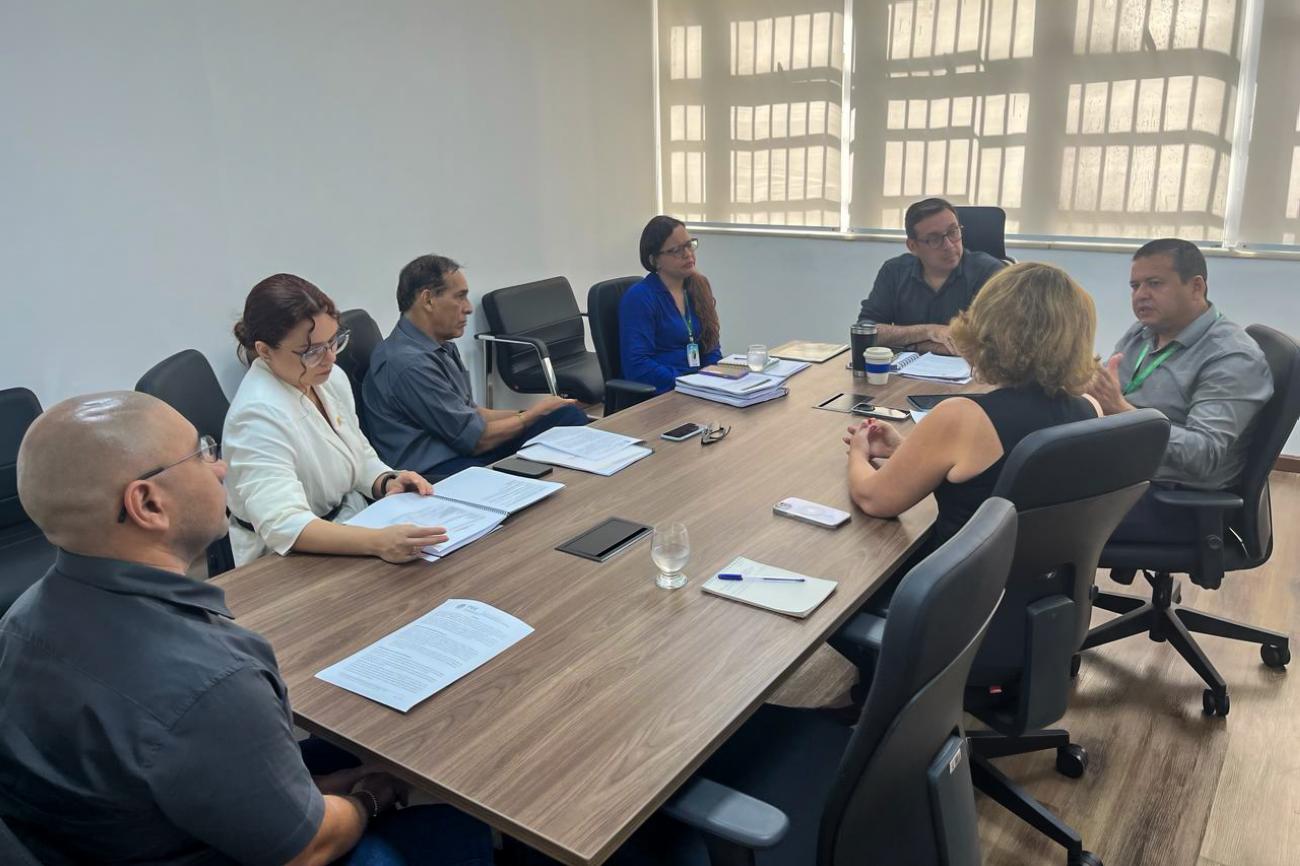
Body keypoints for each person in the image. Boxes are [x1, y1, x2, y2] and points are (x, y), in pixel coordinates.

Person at [0, 391, 494, 865]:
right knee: (459, 825)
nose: (221, 468)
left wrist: (311, 793)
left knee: (347, 750)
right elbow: (305, 850)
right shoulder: (208, 679)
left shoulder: (18, 623)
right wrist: (371, 796)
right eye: (201, 454)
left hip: (115, 837)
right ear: (147, 504)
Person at [845, 262, 1099, 553]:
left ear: (989, 331)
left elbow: (873, 499)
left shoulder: (963, 417)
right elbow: (1016, 478)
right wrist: (906, 451)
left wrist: (858, 453)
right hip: (1045, 576)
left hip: (960, 578)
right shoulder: (1090, 411)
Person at [224, 273, 446, 566]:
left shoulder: (327, 379)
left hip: (350, 521)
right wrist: (377, 542)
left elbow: (357, 454)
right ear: (265, 350)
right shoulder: (255, 416)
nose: (330, 358)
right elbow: (284, 525)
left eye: (333, 342)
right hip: (286, 559)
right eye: (312, 351)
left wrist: (386, 481)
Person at [1086, 238, 1273, 542]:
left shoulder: (1231, 357)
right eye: (1135, 286)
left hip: (1174, 501)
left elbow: (1204, 455)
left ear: (1196, 287)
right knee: (1021, 483)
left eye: (1154, 283)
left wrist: (1122, 411)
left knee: (1031, 518)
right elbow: (1113, 387)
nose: (1141, 295)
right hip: (1127, 472)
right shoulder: (1144, 331)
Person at [363, 254, 590, 478]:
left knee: (564, 416)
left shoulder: (440, 345)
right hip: (437, 471)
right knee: (545, 441)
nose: (469, 308)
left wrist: (536, 412)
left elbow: (472, 413)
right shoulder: (408, 363)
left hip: (462, 450)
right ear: (428, 300)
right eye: (460, 297)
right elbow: (475, 439)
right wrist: (533, 415)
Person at [857, 197, 1005, 355]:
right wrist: (928, 331)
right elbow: (864, 331)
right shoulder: (894, 271)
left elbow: (999, 341)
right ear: (913, 246)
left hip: (971, 369)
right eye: (934, 239)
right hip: (907, 369)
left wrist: (916, 345)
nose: (949, 245)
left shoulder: (990, 273)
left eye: (953, 232)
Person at [619, 215, 723, 393]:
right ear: (654, 260)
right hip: (664, 392)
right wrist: (687, 382)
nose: (687, 254)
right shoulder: (640, 298)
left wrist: (714, 378)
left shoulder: (698, 285)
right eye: (676, 250)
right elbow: (637, 366)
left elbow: (711, 346)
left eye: (689, 245)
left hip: (698, 388)